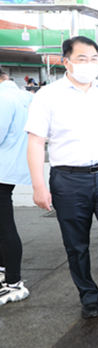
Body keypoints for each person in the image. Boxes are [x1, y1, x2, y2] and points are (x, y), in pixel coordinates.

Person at [25, 36, 98, 318]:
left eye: (94, 59)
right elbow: (36, 141)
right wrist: (38, 185)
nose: (89, 64)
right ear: (66, 62)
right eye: (82, 59)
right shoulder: (48, 96)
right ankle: (88, 296)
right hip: (69, 180)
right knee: (76, 245)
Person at [0, 70, 32, 306]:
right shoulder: (26, 96)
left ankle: (14, 282)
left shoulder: (3, 98)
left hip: (2, 167)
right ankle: (4, 271)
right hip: (13, 166)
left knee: (5, 226)